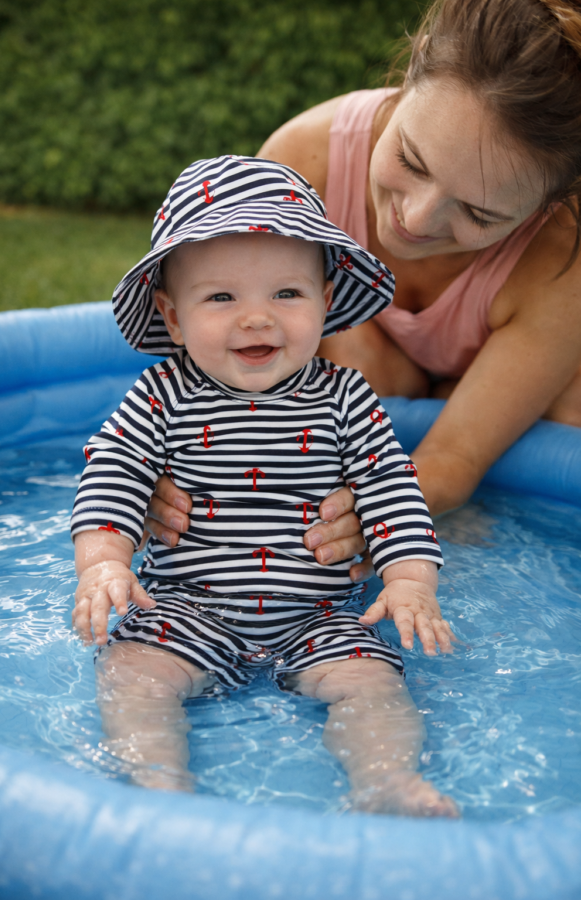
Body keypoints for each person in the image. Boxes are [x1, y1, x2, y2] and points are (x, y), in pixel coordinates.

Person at [71, 155, 457, 817]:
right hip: (189, 607)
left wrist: (410, 581)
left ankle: (387, 782)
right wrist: (103, 562)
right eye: (221, 297)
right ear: (171, 314)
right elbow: (114, 469)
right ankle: (158, 785)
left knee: (373, 684)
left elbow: (392, 488)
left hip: (322, 616)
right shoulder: (163, 397)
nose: (257, 319)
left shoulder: (345, 397)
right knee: (133, 672)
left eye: (286, 294)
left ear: (326, 302)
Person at [144, 0, 581, 584]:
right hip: (368, 353)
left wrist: (370, 517)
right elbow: (206, 367)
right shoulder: (306, 163)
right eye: (410, 158)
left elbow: (455, 458)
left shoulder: (560, 255)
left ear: (547, 204)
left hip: (508, 360)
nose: (416, 220)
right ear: (410, 75)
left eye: (479, 211)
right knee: (332, 359)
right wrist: (164, 475)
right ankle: (428, 382)